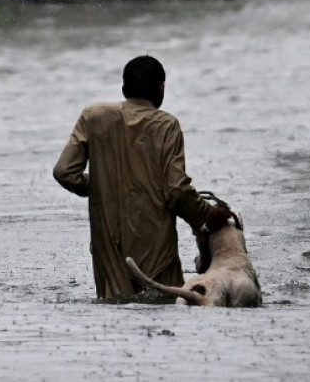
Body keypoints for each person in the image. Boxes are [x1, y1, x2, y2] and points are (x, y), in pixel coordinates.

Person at [52, 55, 232, 299]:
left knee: (115, 310)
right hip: (157, 253)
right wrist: (210, 215)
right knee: (164, 305)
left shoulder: (93, 117)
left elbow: (64, 172)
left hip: (109, 253)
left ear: (124, 87)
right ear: (161, 88)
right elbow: (177, 192)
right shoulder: (166, 125)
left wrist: (102, 186)